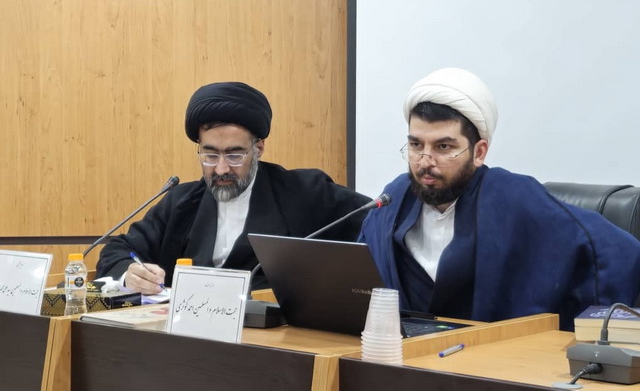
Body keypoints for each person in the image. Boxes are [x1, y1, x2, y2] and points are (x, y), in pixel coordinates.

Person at [359, 67, 640, 330]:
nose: (425, 161)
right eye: (415, 145)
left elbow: (613, 250)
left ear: (479, 152)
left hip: (491, 353)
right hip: (402, 350)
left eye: (443, 147)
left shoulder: (512, 196)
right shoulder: (393, 199)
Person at [97, 82, 370, 293]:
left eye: (234, 155)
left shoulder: (304, 192)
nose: (221, 169)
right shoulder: (181, 201)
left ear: (258, 148)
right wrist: (130, 274)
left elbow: (374, 221)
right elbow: (118, 250)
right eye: (210, 155)